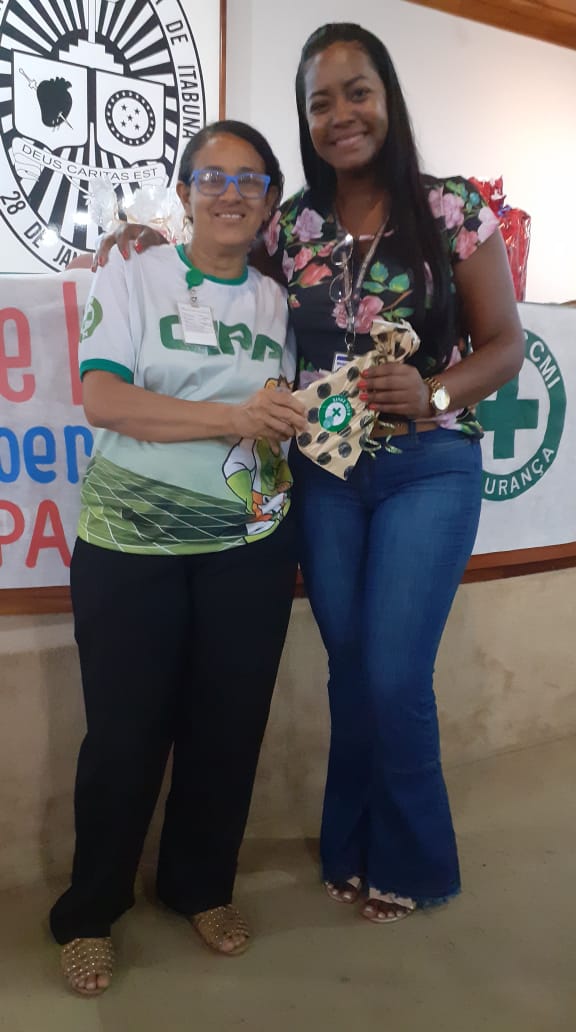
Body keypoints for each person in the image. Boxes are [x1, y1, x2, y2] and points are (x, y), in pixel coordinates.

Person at [97, 23, 523, 925]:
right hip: (325, 478)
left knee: (394, 673)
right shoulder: (292, 225)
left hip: (427, 469)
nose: (340, 115)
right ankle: (348, 847)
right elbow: (214, 260)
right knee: (349, 666)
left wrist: (435, 393)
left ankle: (413, 860)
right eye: (319, 102)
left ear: (386, 96)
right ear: (305, 120)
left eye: (355, 92)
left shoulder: (450, 208)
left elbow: (504, 345)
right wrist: (147, 237)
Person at [50, 119, 306, 996]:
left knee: (227, 728)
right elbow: (104, 398)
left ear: (270, 200)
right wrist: (233, 417)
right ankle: (89, 912)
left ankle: (198, 886)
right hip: (131, 544)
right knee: (123, 737)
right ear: (186, 190)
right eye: (211, 176)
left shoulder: (278, 301)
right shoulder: (132, 272)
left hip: (251, 546)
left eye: (249, 178)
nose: (230, 192)